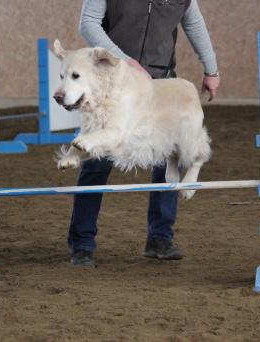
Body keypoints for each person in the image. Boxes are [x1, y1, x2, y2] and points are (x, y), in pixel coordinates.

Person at [68, 0, 220, 266]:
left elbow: (193, 23)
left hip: (157, 81)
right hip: (111, 82)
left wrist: (211, 69)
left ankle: (160, 239)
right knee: (97, 160)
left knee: (165, 159)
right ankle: (82, 244)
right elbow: (88, 23)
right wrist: (124, 62)